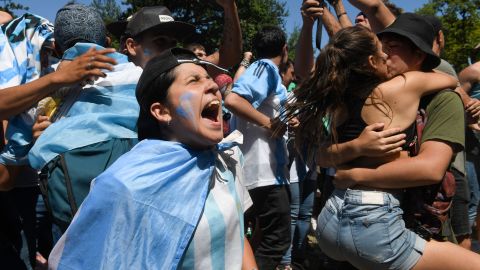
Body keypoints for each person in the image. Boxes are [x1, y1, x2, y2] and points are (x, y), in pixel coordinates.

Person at [291, 16, 480, 270]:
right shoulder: (402, 86)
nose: (384, 53)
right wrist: (358, 149)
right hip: (370, 222)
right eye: (381, 47)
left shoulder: (347, 92)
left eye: (393, 47)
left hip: (333, 218)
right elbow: (450, 79)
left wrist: (353, 171)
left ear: (419, 55)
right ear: (370, 61)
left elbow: (324, 156)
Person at [48, 47, 256, 270]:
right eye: (194, 80)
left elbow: (236, 233)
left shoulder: (229, 158)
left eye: (208, 78)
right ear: (162, 112)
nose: (214, 85)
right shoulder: (123, 184)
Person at [27, 4, 142, 234]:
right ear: (108, 43)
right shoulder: (141, 78)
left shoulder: (45, 90)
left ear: (58, 49)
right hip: (135, 196)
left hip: (72, 208)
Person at [225, 26, 290, 269]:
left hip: (263, 171)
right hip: (262, 173)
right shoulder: (266, 68)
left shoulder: (261, 70)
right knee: (277, 238)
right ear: (284, 49)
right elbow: (232, 100)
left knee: (254, 235)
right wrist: (271, 123)